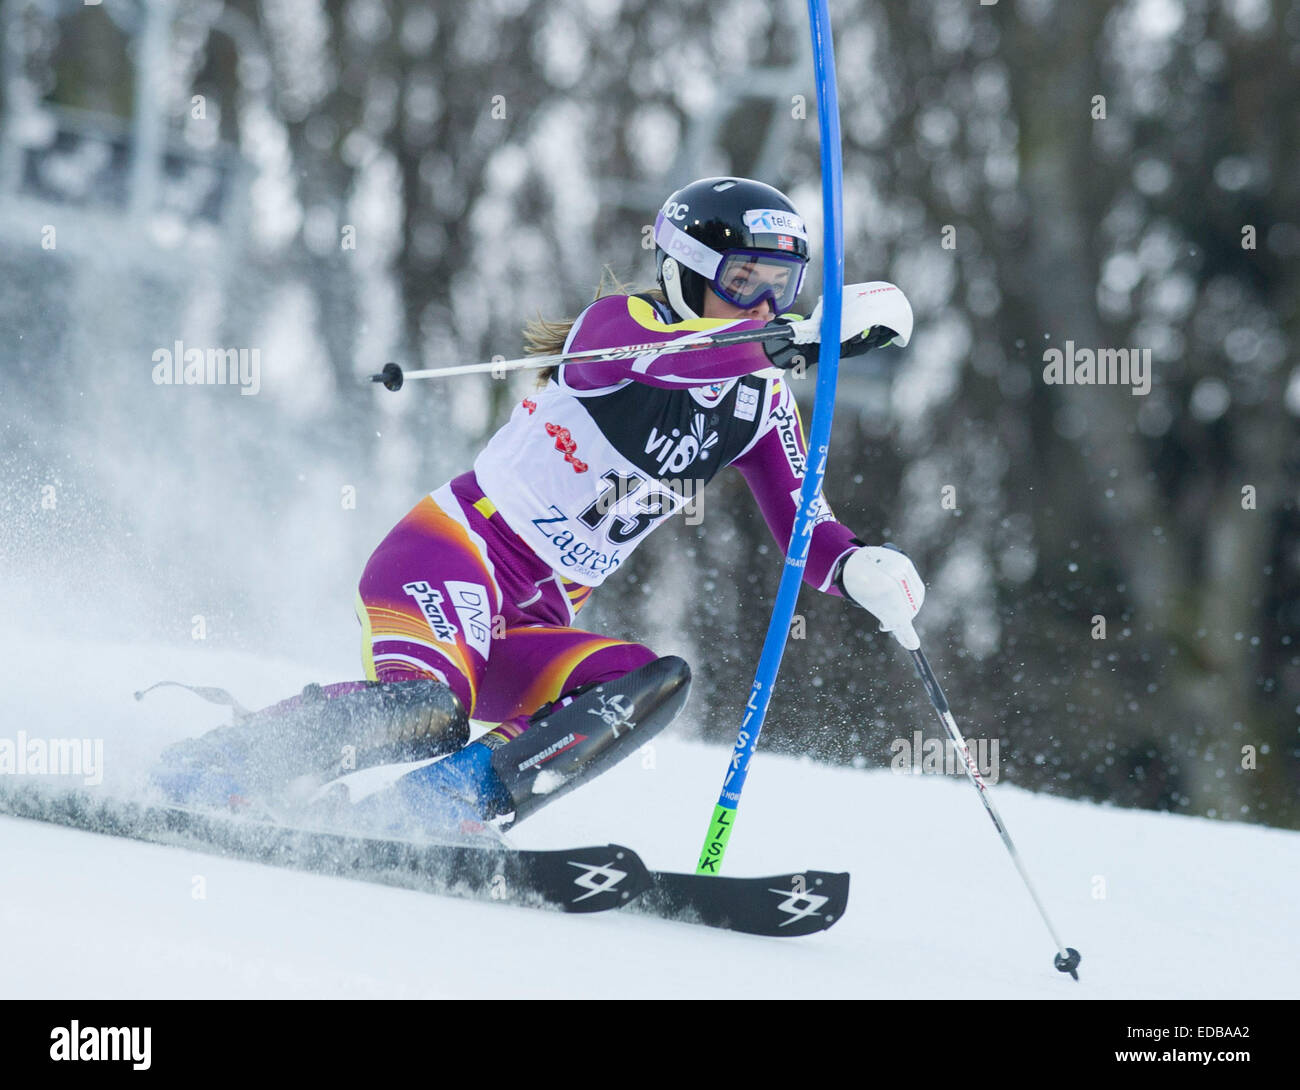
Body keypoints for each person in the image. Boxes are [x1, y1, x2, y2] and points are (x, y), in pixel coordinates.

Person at [154, 176, 925, 836]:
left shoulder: (760, 403)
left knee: (648, 682)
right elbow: (668, 363)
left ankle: (442, 805)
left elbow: (806, 528)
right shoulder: (619, 329)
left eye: (781, 288)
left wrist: (860, 568)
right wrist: (800, 336)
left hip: (533, 617)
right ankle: (217, 766)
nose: (763, 307)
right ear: (688, 273)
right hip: (454, 555)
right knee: (428, 710)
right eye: (743, 282)